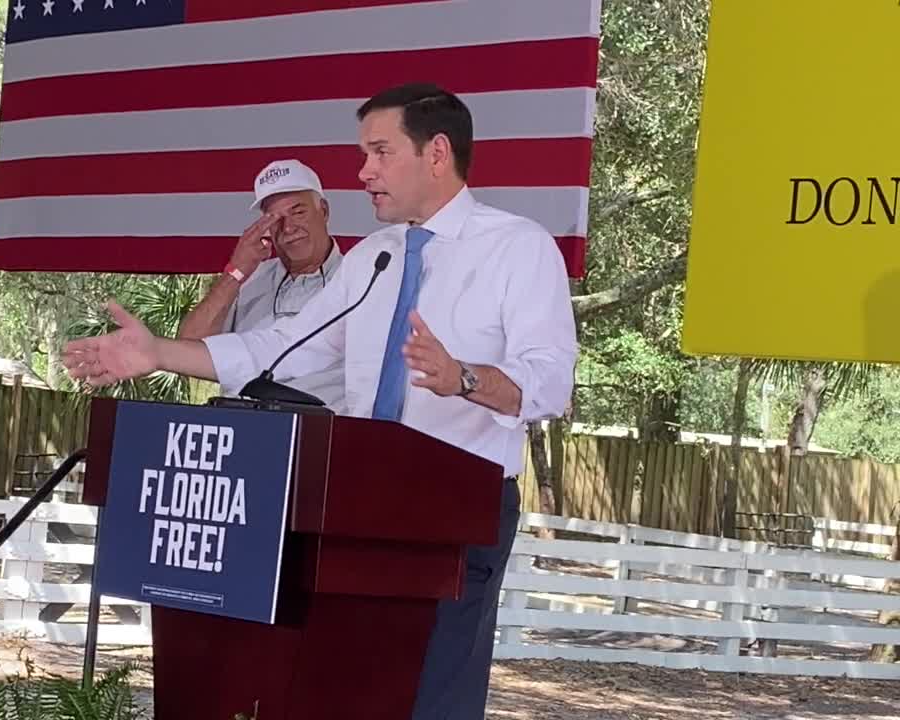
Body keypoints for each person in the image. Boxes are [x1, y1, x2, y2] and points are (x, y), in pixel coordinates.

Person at [63, 82, 577, 719]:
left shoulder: (518, 248)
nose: (364, 172)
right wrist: (160, 354)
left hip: (457, 513)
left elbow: (551, 383)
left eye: (380, 152)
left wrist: (462, 378)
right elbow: (280, 347)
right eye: (364, 154)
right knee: (349, 694)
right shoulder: (376, 259)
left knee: (431, 698)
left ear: (436, 152)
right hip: (361, 509)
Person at [177, 159, 346, 412]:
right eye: (274, 219)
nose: (288, 228)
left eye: (298, 212)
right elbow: (187, 348)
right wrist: (236, 271)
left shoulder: (358, 277)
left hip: (320, 435)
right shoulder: (248, 278)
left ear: (324, 210)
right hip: (241, 427)